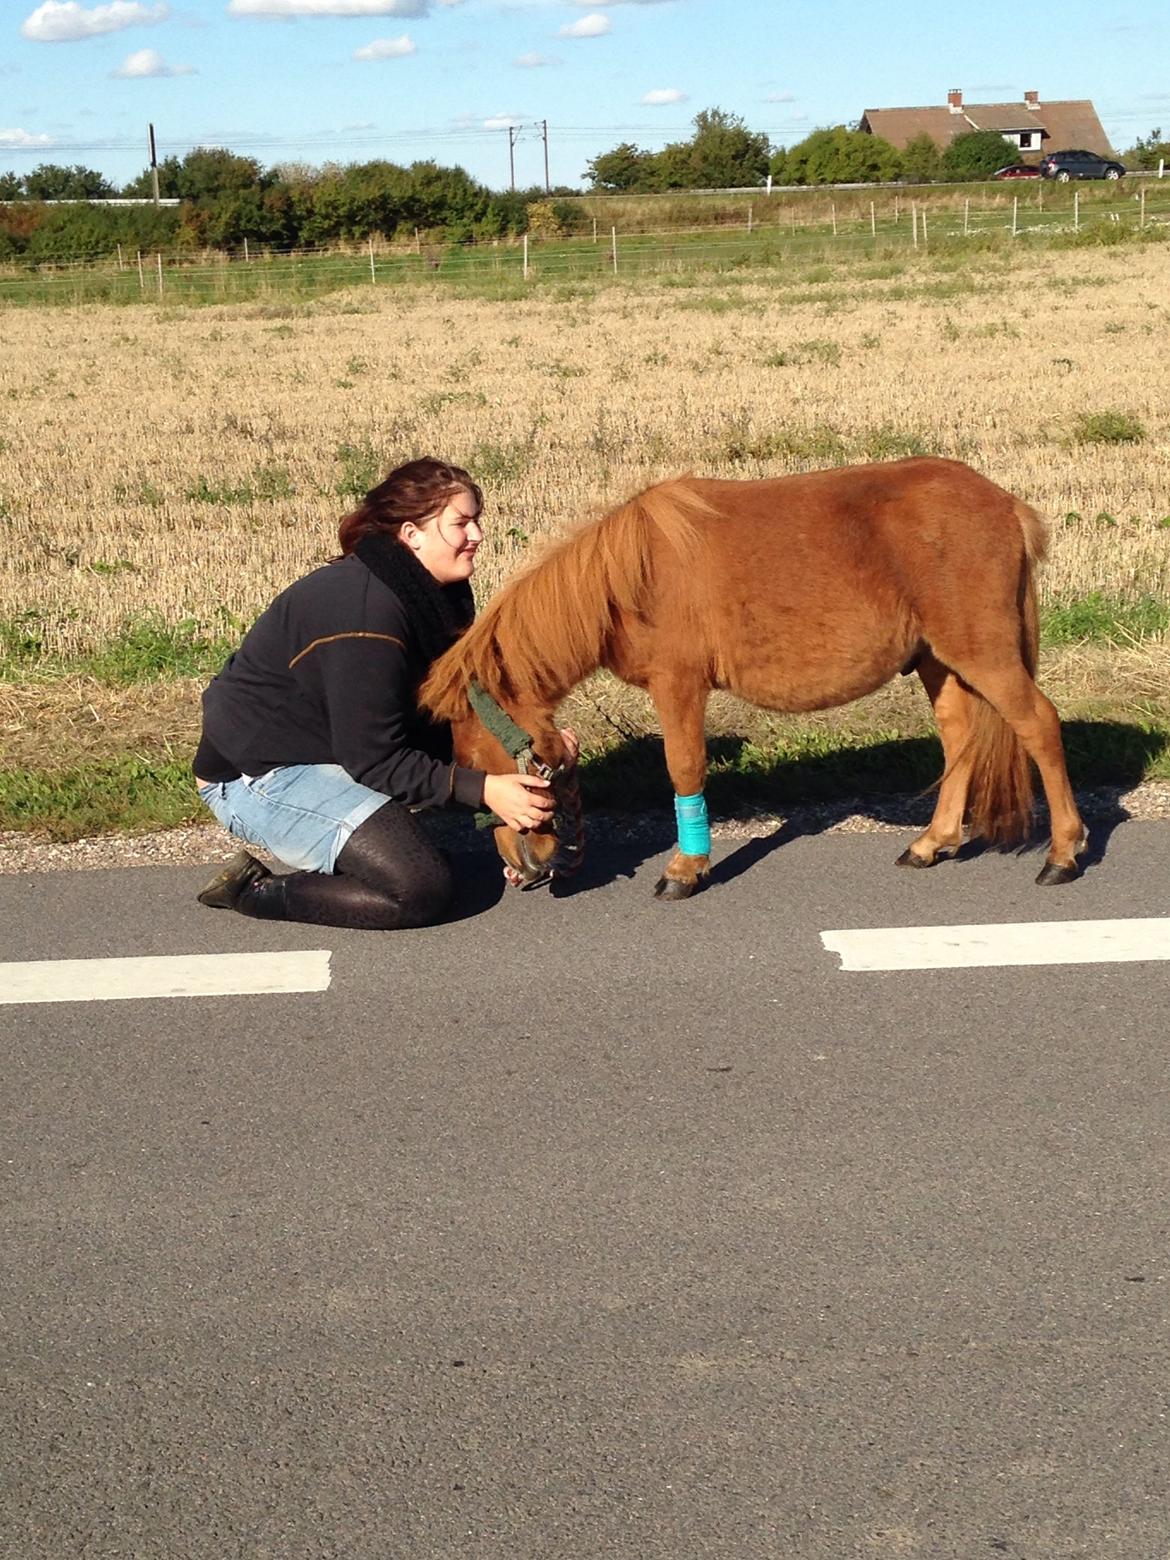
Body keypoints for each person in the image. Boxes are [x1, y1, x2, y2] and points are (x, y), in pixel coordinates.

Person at [193, 457, 565, 929]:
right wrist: (487, 791)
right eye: (461, 523)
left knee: (443, 846)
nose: (477, 535)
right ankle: (254, 891)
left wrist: (534, 741)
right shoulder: (366, 617)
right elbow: (372, 758)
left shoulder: (433, 593)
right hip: (256, 778)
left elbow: (462, 707)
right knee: (419, 887)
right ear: (412, 535)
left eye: (477, 520)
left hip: (330, 750)